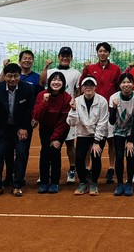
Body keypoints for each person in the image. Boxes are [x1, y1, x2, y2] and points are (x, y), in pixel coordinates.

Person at [0, 62, 35, 197]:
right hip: (2, 128)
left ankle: (17, 185)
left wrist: (24, 127)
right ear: (5, 76)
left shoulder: (27, 89)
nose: (12, 79)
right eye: (9, 76)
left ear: (19, 75)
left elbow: (29, 110)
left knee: (21, 154)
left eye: (15, 76)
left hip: (21, 128)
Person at [80, 42, 121, 184]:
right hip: (93, 110)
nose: (102, 53)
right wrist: (85, 70)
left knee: (111, 141)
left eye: (105, 51)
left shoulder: (115, 69)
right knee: (89, 140)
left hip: (109, 110)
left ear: (109, 53)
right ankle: (87, 168)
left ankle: (111, 168)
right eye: (100, 51)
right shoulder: (91, 68)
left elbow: (119, 87)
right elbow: (83, 84)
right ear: (97, 53)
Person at [41, 46, 81, 184]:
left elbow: (78, 90)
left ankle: (72, 169)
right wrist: (45, 67)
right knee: (48, 145)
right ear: (59, 57)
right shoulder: (50, 71)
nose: (65, 58)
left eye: (67, 56)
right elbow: (42, 83)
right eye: (63, 55)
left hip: (67, 113)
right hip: (51, 113)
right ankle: (46, 171)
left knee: (70, 143)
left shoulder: (76, 73)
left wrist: (74, 103)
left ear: (71, 58)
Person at [68, 76, 109, 196]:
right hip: (83, 134)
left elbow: (103, 122)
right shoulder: (76, 101)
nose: (88, 87)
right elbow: (72, 123)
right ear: (82, 88)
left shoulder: (102, 101)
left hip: (99, 133)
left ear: (95, 87)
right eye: (86, 85)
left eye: (91, 85)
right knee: (79, 158)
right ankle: (83, 183)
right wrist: (73, 110)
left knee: (95, 155)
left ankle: (94, 183)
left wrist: (96, 141)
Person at [33, 71, 72, 194]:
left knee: (55, 151)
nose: (56, 82)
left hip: (61, 129)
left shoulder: (67, 97)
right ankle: (44, 181)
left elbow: (64, 121)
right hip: (45, 128)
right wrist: (44, 102)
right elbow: (36, 116)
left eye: (59, 80)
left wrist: (55, 138)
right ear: (49, 82)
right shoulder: (41, 95)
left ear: (63, 83)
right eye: (54, 80)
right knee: (45, 152)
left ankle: (54, 182)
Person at [108, 72, 134, 196]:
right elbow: (112, 121)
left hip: (133, 126)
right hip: (119, 126)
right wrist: (114, 107)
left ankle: (129, 183)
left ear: (133, 84)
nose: (126, 85)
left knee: (130, 154)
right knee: (119, 155)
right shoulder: (113, 98)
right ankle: (119, 184)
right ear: (119, 85)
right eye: (123, 82)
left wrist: (131, 141)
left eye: (129, 82)